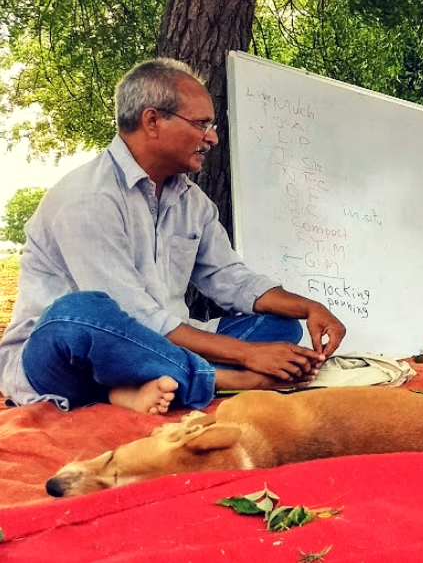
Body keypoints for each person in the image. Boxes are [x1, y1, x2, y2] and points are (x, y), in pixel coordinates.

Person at [0, 58, 347, 415]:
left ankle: (131, 388)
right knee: (80, 313)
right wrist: (248, 357)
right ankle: (222, 379)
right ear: (152, 121)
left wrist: (309, 308)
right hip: (65, 356)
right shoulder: (85, 199)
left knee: (280, 330)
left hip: (160, 345)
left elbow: (230, 278)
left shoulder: (192, 202)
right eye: (201, 124)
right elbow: (131, 315)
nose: (211, 137)